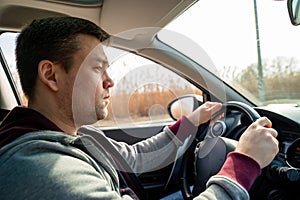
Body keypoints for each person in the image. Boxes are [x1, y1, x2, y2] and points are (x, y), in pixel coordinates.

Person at [0, 16, 278, 200]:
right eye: (97, 69)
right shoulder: (42, 169)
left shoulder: (80, 135)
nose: (110, 81)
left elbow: (134, 157)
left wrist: (190, 122)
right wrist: (244, 163)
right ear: (51, 75)